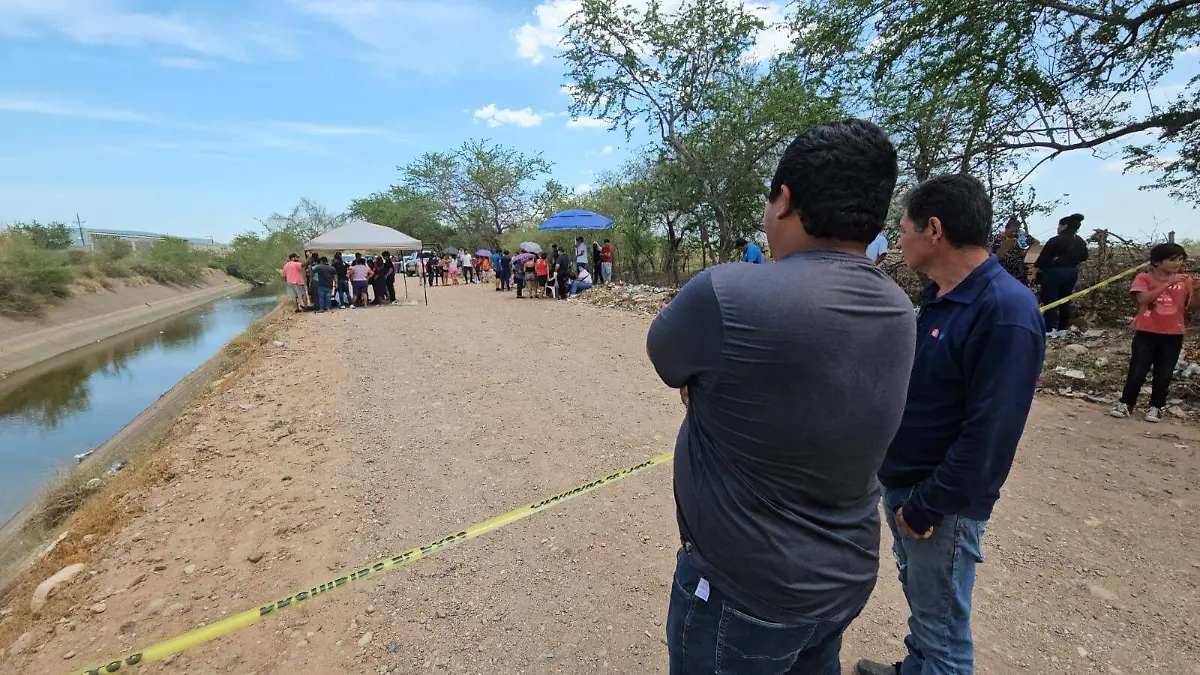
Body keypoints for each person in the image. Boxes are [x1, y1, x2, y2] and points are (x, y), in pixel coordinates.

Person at [648, 119, 916, 675]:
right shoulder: (896, 308)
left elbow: (669, 361)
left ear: (784, 201)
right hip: (844, 579)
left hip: (744, 590)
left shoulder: (728, 292)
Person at [856, 174, 1046, 675]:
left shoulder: (1005, 311)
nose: (897, 239)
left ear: (933, 230)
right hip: (907, 484)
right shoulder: (943, 296)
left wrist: (928, 506)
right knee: (928, 603)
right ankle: (916, 666)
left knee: (946, 637)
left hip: (938, 501)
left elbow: (992, 433)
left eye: (903, 229)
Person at [1110, 243, 1195, 423]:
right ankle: (1126, 403)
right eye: (1172, 259)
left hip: (1173, 333)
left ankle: (1156, 406)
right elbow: (1142, 299)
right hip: (1147, 331)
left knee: (1164, 372)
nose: (1177, 263)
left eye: (1180, 259)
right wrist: (1167, 284)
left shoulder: (1185, 281)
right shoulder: (1144, 278)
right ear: (1157, 262)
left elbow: (1188, 306)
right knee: (1138, 370)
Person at [1034, 213, 1089, 339]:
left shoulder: (1055, 240)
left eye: (1059, 225)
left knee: (1050, 300)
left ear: (1064, 226)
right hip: (1071, 272)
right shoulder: (1080, 241)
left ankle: (1049, 328)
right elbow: (1084, 257)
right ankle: (1062, 329)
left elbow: (1043, 258)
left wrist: (1034, 272)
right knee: (1065, 300)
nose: (1058, 228)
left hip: (1053, 272)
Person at [992, 215, 1031, 283]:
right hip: (1004, 273)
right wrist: (1005, 246)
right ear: (1006, 228)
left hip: (1019, 273)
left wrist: (1025, 253)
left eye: (1016, 231)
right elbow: (992, 257)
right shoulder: (996, 239)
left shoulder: (1019, 239)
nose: (1014, 233)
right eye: (1012, 231)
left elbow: (1035, 243)